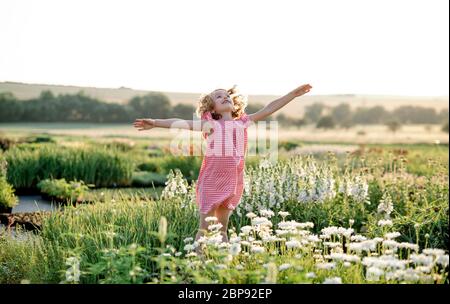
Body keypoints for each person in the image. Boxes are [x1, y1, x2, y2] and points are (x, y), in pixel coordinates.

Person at [133, 83, 312, 251]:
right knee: (205, 230)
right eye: (219, 97)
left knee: (222, 229)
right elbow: (181, 122)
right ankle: (197, 263)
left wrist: (292, 95)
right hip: (211, 182)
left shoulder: (242, 122)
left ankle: (224, 264)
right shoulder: (210, 125)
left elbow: (269, 108)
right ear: (212, 108)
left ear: (234, 105)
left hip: (233, 182)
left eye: (227, 96)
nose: (225, 97)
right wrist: (155, 122)